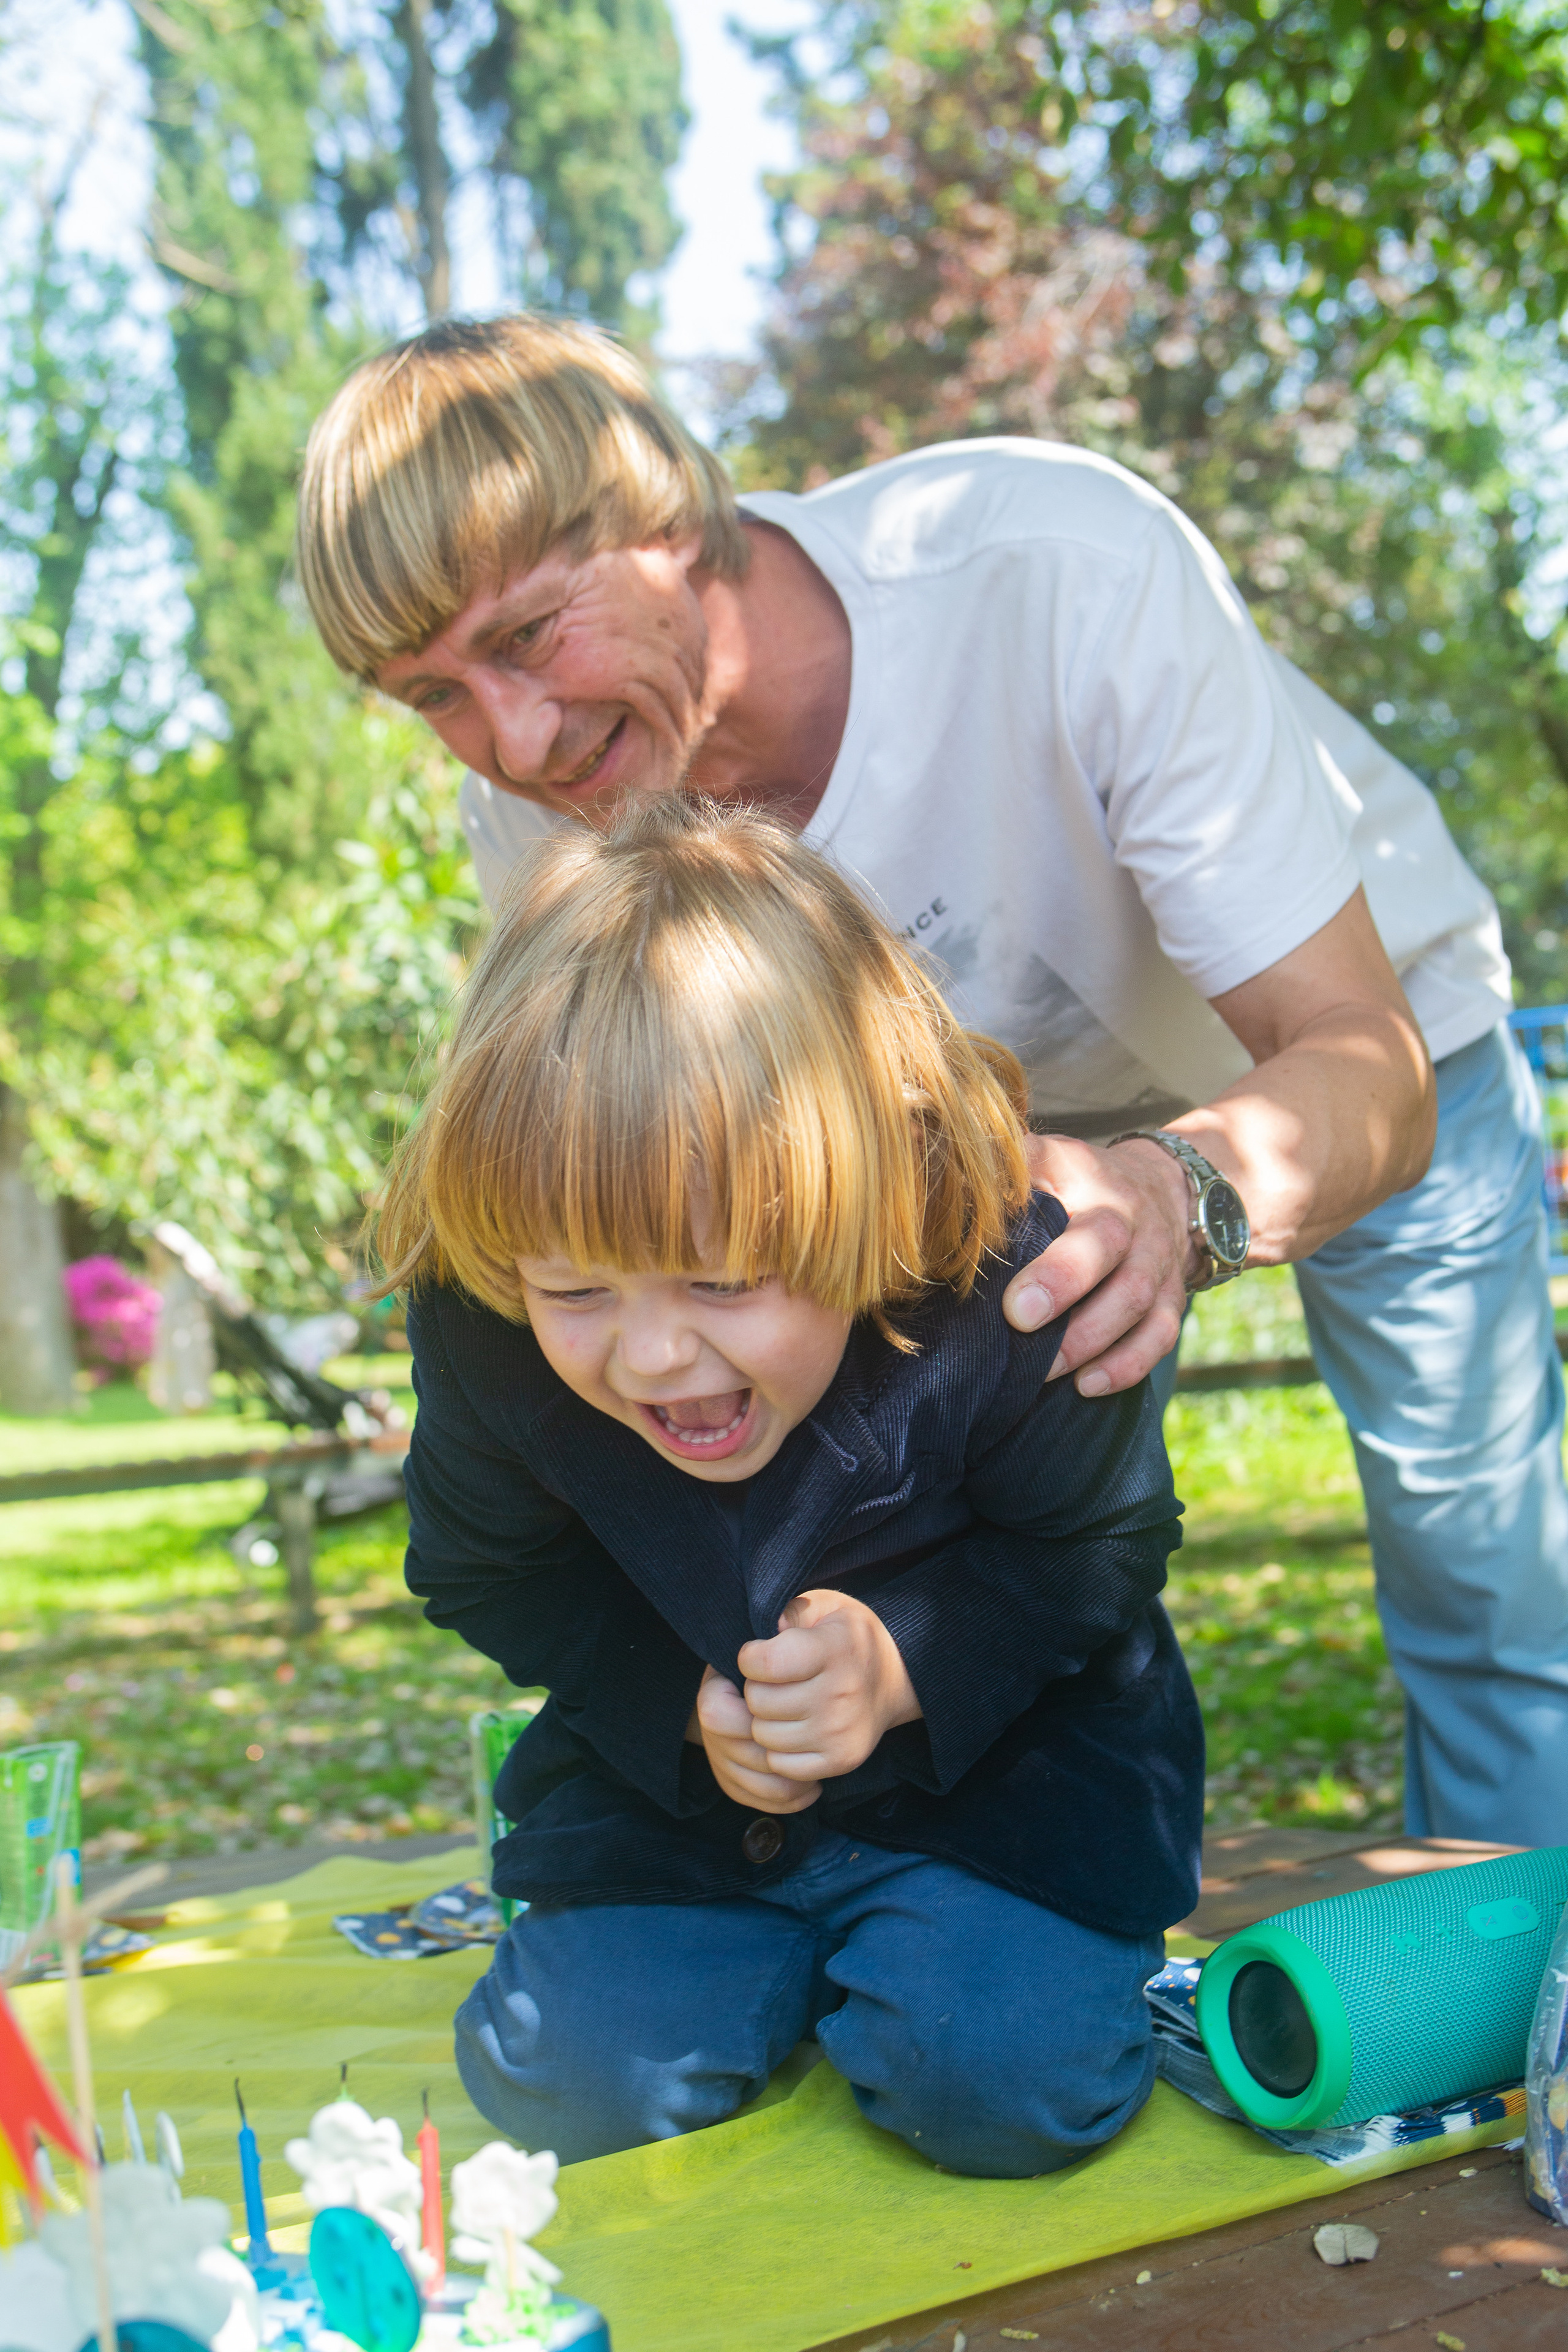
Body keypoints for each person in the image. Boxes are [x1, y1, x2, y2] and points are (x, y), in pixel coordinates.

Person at [300, 315, 1568, 1848]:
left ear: (664, 515)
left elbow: (1360, 1057)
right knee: (1006, 1579)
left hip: (1341, 1069)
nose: (506, 740)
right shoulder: (536, 817)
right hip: (998, 1177)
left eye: (525, 636)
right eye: (427, 693)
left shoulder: (1053, 568)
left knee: (1483, 1584)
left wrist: (1178, 1190)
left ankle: (1525, 2033)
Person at [374, 797, 1200, 2174]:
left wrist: (897, 1666)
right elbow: (483, 1567)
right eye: (576, 1290)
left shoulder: (1013, 1282)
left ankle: (931, 1972)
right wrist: (679, 1708)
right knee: (563, 2089)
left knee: (997, 2091)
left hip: (1010, 1800)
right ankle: (785, 1976)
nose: (650, 1355)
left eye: (718, 1278)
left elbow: (1100, 1548)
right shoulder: (483, 1311)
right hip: (681, 1817)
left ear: (868, 1187)